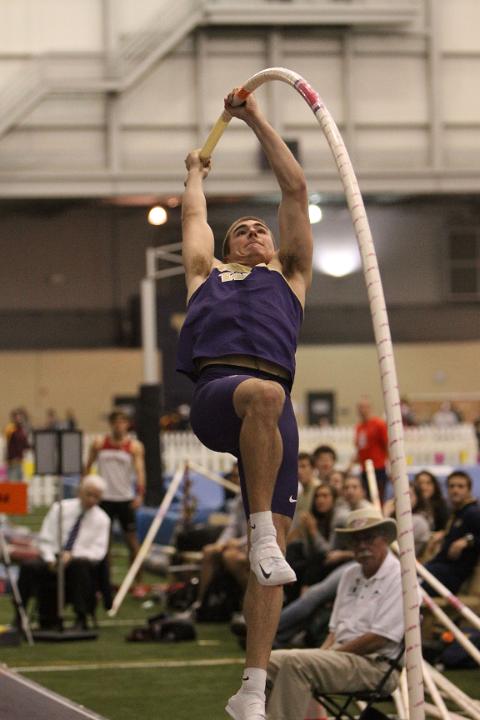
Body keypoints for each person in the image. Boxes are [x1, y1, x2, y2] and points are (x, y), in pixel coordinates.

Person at [176, 88, 313, 720]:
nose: (255, 230)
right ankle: (259, 529)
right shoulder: (208, 273)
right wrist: (195, 177)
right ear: (230, 248)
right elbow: (194, 221)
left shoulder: (291, 275)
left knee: (276, 560)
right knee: (264, 394)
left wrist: (254, 117)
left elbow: (294, 189)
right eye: (243, 229)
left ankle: (251, 690)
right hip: (216, 394)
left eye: (260, 227)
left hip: (271, 407)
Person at [266, 508, 405, 719]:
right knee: (266, 662)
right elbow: (333, 631)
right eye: (356, 540)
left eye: (368, 538)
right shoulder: (349, 574)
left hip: (377, 666)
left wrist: (327, 656)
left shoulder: (400, 577)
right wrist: (322, 656)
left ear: (384, 539)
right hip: (343, 659)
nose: (362, 545)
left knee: (296, 663)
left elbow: (378, 639)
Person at [15, 475, 110, 630]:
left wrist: (73, 555)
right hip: (52, 559)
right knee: (28, 567)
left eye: (96, 497)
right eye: (89, 495)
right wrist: (50, 559)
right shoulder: (60, 508)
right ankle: (20, 615)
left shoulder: (102, 519)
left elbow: (99, 551)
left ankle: (81, 618)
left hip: (78, 564)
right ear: (80, 491)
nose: (92, 500)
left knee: (81, 566)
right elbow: (45, 538)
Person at [85, 409, 145, 580]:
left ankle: (137, 581)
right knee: (104, 542)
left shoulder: (134, 447)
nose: (119, 426)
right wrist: (87, 489)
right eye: (116, 422)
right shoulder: (99, 444)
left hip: (125, 499)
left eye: (123, 422)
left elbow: (140, 471)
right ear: (111, 424)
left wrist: (139, 494)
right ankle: (106, 580)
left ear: (127, 424)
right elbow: (87, 467)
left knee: (132, 542)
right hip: (104, 499)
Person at [423, 470, 480, 594]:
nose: (455, 490)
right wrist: (444, 533)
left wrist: (468, 541)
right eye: (452, 486)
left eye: (461, 486)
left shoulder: (473, 512)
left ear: (469, 490)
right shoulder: (457, 512)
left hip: (450, 575)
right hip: (439, 569)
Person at [352, 398, 389, 504]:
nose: (362, 410)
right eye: (360, 408)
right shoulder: (358, 427)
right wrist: (350, 465)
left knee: (378, 498)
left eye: (364, 407)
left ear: (370, 408)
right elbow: (360, 450)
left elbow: (387, 445)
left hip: (378, 468)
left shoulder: (379, 424)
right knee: (366, 499)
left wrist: (390, 466)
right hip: (364, 469)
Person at [4, 409, 29, 480]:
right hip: (12, 461)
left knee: (20, 484)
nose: (19, 419)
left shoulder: (22, 430)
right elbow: (7, 434)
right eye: (17, 417)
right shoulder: (10, 428)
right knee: (13, 483)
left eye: (20, 417)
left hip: (20, 461)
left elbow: (25, 444)